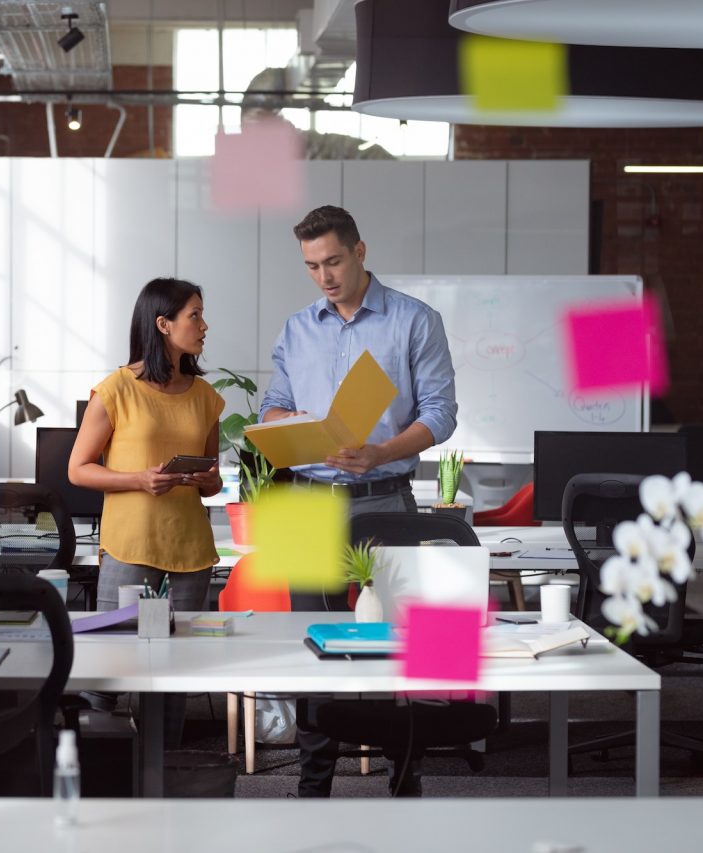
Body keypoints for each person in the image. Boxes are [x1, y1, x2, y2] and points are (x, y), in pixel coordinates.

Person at [259, 204, 457, 797]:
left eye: (334, 260)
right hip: (308, 500)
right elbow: (272, 404)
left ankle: (405, 778)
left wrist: (380, 450)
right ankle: (312, 786)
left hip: (384, 494)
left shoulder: (414, 321)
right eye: (312, 265)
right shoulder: (297, 328)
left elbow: (441, 415)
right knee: (312, 641)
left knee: (404, 642)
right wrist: (286, 425)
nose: (324, 275)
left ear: (360, 251)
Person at [68, 278, 225, 740]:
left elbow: (212, 480)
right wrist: (139, 479)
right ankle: (100, 767)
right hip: (132, 545)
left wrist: (209, 480)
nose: (204, 325)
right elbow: (78, 469)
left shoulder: (205, 397)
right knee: (113, 663)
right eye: (194, 315)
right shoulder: (116, 388)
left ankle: (168, 767)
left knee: (175, 671)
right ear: (163, 324)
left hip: (191, 549)